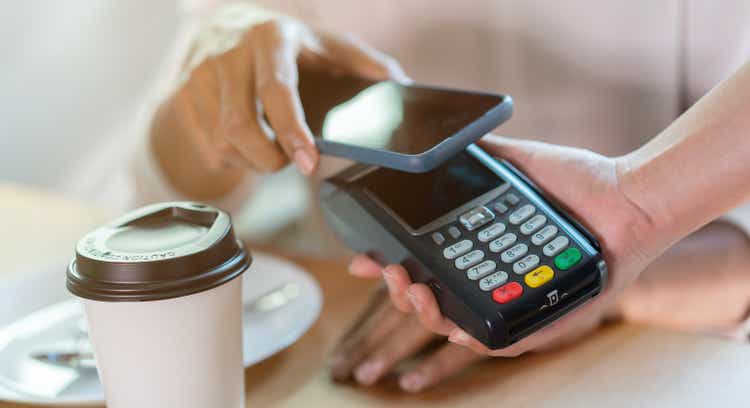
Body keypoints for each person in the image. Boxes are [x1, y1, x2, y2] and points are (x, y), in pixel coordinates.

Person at [123, 1, 750, 393]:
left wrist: (624, 268)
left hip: (673, 359)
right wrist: (209, 92)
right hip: (338, 334)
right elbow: (154, 201)